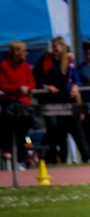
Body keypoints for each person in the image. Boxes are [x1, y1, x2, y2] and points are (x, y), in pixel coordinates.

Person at [33, 36, 90, 164]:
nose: (54, 49)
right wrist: (46, 86)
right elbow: (37, 78)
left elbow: (76, 79)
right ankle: (58, 158)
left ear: (63, 47)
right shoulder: (44, 60)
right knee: (55, 129)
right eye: (53, 46)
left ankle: (87, 157)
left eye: (56, 46)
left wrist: (75, 86)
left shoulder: (69, 62)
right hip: (50, 100)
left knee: (77, 129)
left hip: (67, 100)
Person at [0, 40, 36, 169]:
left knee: (23, 132)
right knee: (9, 130)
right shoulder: (4, 65)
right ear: (16, 52)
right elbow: (3, 84)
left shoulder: (26, 66)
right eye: (24, 51)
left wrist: (27, 88)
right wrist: (17, 88)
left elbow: (32, 83)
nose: (26, 53)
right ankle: (8, 154)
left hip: (24, 104)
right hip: (10, 103)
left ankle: (22, 159)